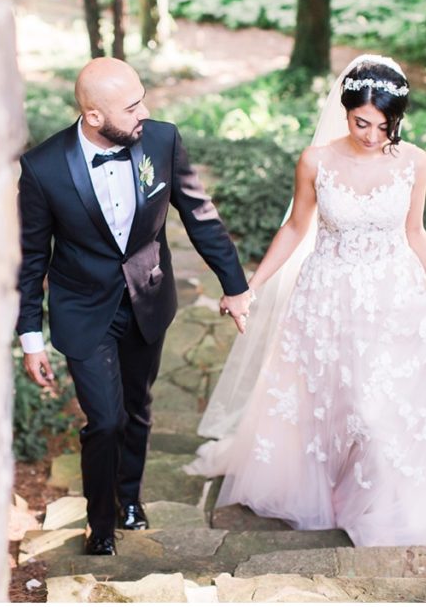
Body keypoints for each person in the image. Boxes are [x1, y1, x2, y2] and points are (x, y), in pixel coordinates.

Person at [198, 54, 426, 547]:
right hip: (326, 296)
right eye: (362, 122)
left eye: (384, 125)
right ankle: (325, 487)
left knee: (377, 409)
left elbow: (416, 233)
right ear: (345, 110)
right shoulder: (316, 161)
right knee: (328, 403)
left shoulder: (415, 161)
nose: (372, 135)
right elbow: (295, 228)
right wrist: (253, 286)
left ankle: (375, 501)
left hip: (392, 296)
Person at [16, 57, 252, 555]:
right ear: (94, 116)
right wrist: (30, 337)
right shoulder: (42, 168)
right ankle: (99, 523)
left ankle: (129, 498)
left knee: (138, 409)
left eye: (142, 97)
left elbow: (200, 217)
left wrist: (235, 287)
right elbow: (33, 256)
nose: (145, 111)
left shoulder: (161, 140)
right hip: (83, 308)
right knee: (104, 420)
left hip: (148, 298)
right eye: (132, 106)